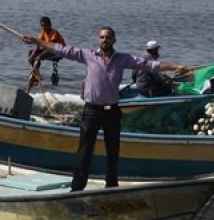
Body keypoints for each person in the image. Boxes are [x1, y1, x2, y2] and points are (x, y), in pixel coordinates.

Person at [22, 26, 190, 191]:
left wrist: (175, 67)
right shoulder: (88, 56)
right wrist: (36, 41)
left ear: (114, 40)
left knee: (113, 151)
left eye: (108, 37)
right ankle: (77, 188)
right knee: (84, 151)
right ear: (98, 40)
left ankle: (111, 186)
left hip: (112, 112)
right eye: (102, 37)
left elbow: (149, 65)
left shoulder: (123, 59)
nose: (104, 40)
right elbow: (61, 49)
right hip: (91, 111)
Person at [25, 17, 66, 93]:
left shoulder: (54, 33)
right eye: (42, 26)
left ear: (49, 25)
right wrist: (32, 55)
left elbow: (51, 48)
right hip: (48, 50)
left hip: (58, 52)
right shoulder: (42, 32)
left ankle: (35, 74)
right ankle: (37, 74)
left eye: (44, 25)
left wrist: (39, 56)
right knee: (31, 53)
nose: (43, 27)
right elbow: (38, 45)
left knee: (39, 57)